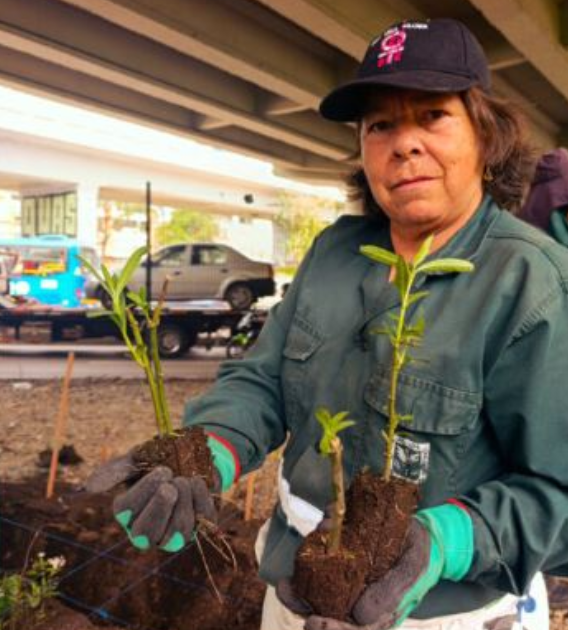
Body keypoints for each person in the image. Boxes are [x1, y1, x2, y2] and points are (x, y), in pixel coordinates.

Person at [88, 18, 567, 630]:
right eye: (381, 125)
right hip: (293, 589)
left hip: (445, 616)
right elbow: (261, 382)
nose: (404, 143)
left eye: (432, 116)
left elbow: (557, 490)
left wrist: (443, 540)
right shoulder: (335, 253)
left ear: (485, 132)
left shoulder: (533, 282)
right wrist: (207, 453)